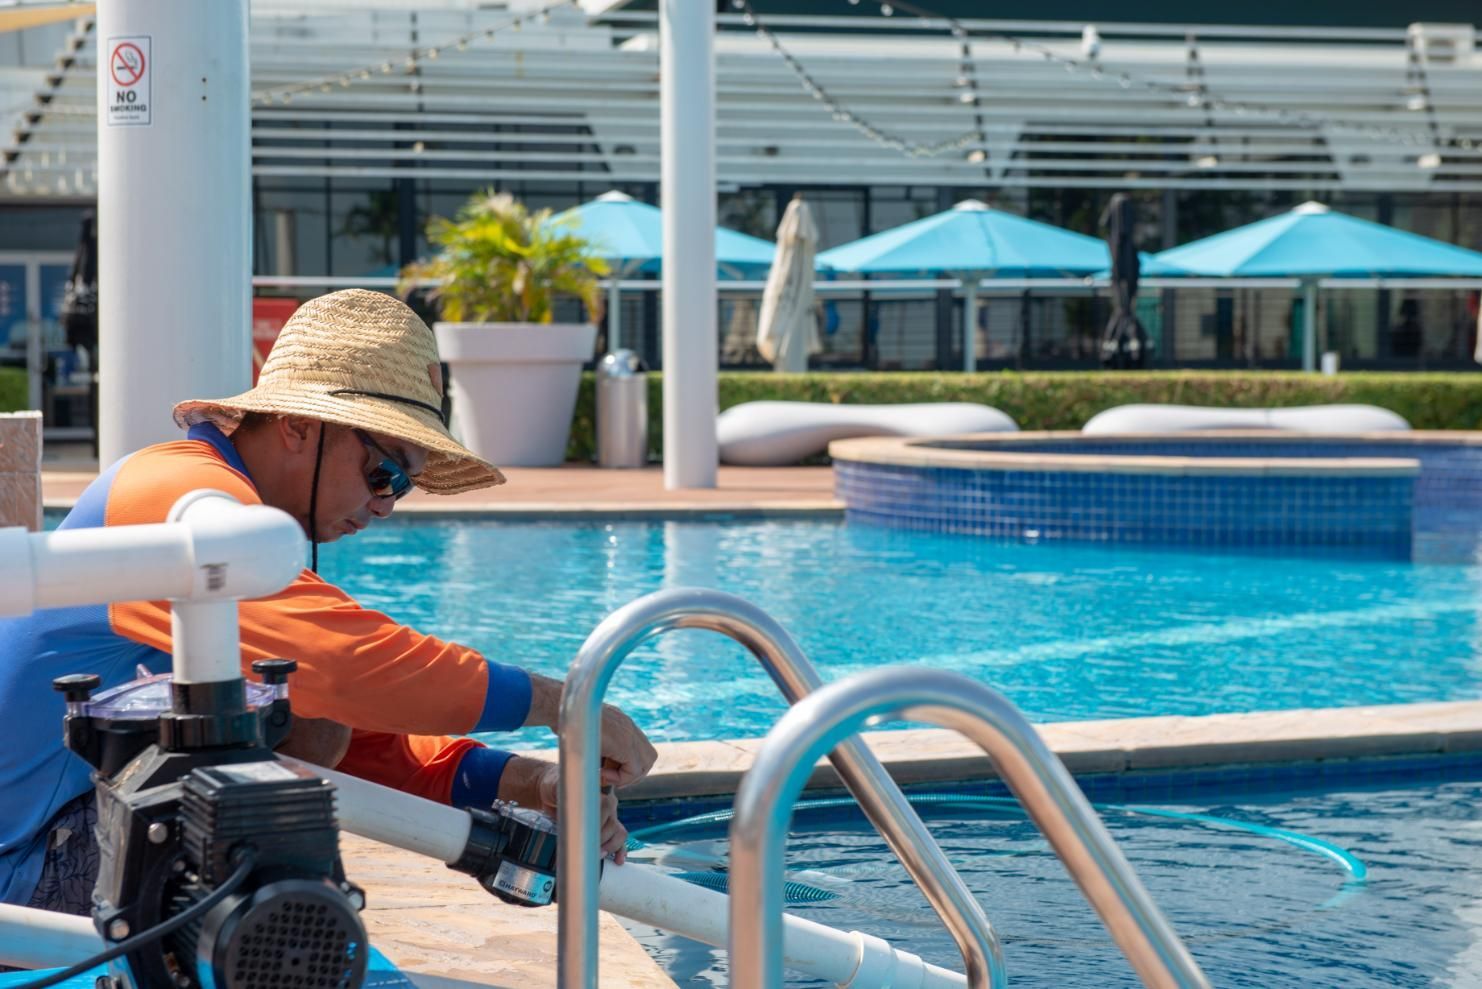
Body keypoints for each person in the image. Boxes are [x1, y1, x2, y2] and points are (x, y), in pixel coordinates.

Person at [0, 289, 657, 915]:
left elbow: (365, 734)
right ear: (296, 425)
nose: (386, 505)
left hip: (50, 843)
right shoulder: (179, 497)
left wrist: (530, 783)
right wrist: (560, 703)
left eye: (404, 487)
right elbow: (347, 666)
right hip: (20, 868)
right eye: (385, 472)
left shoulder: (225, 519)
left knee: (311, 722)